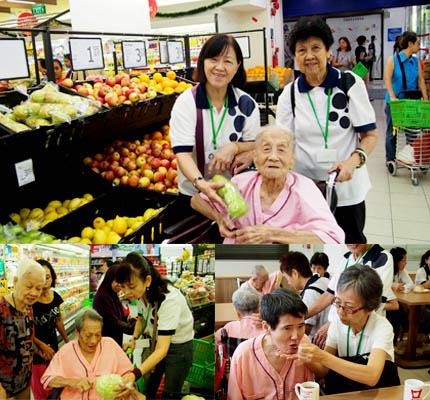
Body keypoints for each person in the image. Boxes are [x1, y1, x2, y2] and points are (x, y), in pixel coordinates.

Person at [277, 16, 379, 243]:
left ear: (328, 50)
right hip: (306, 190)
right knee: (310, 242)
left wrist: (353, 161)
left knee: (350, 240)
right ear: (294, 56)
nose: (309, 56)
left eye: (316, 48)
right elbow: (282, 142)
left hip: (346, 187)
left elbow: (370, 135)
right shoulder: (290, 94)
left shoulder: (349, 83)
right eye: (301, 50)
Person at [191, 126, 345, 244]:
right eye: (266, 149)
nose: (273, 157)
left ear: (292, 160)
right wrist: (218, 217)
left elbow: (334, 238)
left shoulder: (305, 189)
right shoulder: (241, 182)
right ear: (255, 158)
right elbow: (196, 201)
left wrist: (271, 234)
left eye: (281, 150)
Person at [170, 33, 260, 219]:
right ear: (203, 62)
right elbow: (182, 154)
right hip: (193, 195)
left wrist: (234, 147)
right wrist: (201, 183)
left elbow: (254, 143)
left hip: (235, 196)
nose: (219, 67)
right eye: (213, 59)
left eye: (227, 61)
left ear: (238, 66)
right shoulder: (187, 102)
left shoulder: (246, 104)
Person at [292, 265, 400, 394]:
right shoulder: (337, 324)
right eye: (337, 303)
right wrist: (307, 358)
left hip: (377, 393)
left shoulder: (382, 327)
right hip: (347, 392)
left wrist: (321, 356)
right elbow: (323, 371)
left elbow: (371, 376)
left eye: (348, 307)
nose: (340, 312)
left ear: (370, 307)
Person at [115, 252, 194, 399]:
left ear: (147, 280)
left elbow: (162, 349)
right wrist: (134, 338)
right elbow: (140, 319)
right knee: (149, 387)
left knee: (170, 393)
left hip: (179, 348)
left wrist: (134, 374)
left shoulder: (169, 300)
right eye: (123, 287)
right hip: (159, 343)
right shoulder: (140, 295)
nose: (126, 292)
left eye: (131, 286)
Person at [227, 289, 316, 400]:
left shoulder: (304, 343)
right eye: (287, 328)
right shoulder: (244, 355)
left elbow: (317, 379)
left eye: (300, 326)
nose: (296, 336)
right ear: (266, 327)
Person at [307, 245, 398, 348]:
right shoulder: (347, 258)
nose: (352, 243)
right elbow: (329, 294)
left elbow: (374, 304)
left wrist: (332, 325)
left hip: (363, 330)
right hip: (339, 327)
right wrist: (303, 316)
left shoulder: (382, 258)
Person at [41, 308, 133, 400]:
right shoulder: (66, 351)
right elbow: (48, 379)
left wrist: (126, 384)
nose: (93, 341)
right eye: (88, 336)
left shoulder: (110, 345)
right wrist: (73, 382)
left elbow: (128, 373)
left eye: (98, 335)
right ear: (77, 332)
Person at [0, 259, 46, 400]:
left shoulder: (28, 307)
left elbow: (25, 337)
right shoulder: (2, 310)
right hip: (4, 387)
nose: (33, 293)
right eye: (29, 286)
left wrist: (38, 346)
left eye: (38, 288)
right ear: (15, 281)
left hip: (24, 383)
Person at [385, 31, 429, 164]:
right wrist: (392, 96)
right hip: (395, 103)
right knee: (392, 132)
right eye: (417, 43)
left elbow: (421, 80)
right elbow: (387, 78)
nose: (419, 46)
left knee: (413, 131)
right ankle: (390, 159)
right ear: (410, 44)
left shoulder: (416, 62)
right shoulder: (393, 60)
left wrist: (426, 99)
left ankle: (410, 156)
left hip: (411, 103)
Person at [31, 259, 69, 400]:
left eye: (47, 277)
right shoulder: (31, 300)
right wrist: (41, 346)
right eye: (41, 277)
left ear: (52, 277)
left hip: (53, 347)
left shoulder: (55, 297)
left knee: (55, 386)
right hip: (36, 351)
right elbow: (27, 329)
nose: (45, 281)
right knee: (41, 388)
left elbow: (58, 320)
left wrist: (66, 341)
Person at [280, 251, 330, 341]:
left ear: (295, 273)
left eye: (287, 278)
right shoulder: (324, 280)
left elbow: (304, 330)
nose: (288, 282)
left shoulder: (310, 292)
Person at [93, 264, 135, 347]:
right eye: (117, 281)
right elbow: (112, 322)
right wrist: (132, 329)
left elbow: (116, 314)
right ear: (110, 278)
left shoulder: (112, 294)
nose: (120, 285)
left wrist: (127, 318)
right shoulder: (102, 297)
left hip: (114, 339)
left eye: (122, 281)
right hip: (106, 341)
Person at [386, 247, 411, 347]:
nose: (406, 263)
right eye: (403, 260)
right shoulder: (387, 269)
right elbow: (379, 284)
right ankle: (394, 344)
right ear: (396, 261)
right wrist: (392, 285)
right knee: (397, 313)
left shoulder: (401, 271)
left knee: (399, 311)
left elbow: (411, 284)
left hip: (393, 300)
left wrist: (402, 287)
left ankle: (410, 334)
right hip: (383, 301)